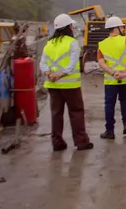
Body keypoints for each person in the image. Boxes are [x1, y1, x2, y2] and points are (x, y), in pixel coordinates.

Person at [40, 13, 93, 152]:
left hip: (53, 85)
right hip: (70, 85)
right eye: (71, 25)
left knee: (56, 113)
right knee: (76, 112)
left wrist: (50, 74)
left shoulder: (48, 44)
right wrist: (59, 75)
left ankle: (57, 142)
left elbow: (43, 64)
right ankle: (81, 141)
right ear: (68, 27)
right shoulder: (72, 43)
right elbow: (71, 64)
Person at [97, 16, 126, 140]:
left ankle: (109, 130)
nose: (123, 28)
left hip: (111, 80)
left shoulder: (102, 44)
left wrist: (113, 73)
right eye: (122, 27)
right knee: (124, 101)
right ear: (116, 28)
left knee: (109, 104)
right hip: (125, 78)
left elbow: (102, 63)